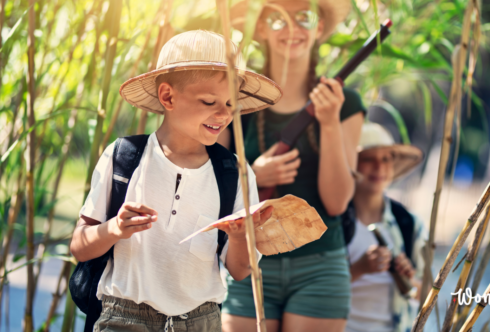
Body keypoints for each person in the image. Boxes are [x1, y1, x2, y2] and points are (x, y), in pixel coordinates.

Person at [70, 30, 282, 332]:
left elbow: (241, 270)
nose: (223, 114)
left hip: (200, 321)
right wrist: (114, 228)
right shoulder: (124, 158)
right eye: (210, 101)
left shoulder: (234, 172)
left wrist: (238, 237)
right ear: (168, 96)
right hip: (123, 318)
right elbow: (79, 246)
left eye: (231, 104)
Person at [220, 1, 365, 331]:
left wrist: (329, 123)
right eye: (278, 19)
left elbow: (337, 202)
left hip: (321, 268)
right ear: (260, 28)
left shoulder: (347, 104)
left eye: (305, 17)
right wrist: (254, 176)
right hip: (247, 263)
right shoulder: (232, 99)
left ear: (319, 28)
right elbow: (212, 185)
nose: (292, 28)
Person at [345, 121, 426, 332]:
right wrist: (359, 269)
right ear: (352, 164)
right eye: (368, 159)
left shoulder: (408, 224)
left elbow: (428, 294)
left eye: (386, 159)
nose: (379, 167)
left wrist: (408, 280)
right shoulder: (335, 222)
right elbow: (316, 292)